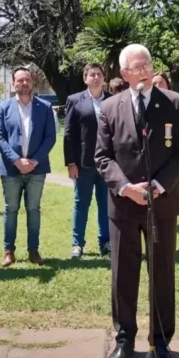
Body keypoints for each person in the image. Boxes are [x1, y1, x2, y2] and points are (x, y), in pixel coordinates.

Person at [95, 43, 179, 358]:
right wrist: (126, 188)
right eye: (136, 68)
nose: (144, 72)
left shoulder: (175, 103)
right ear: (124, 74)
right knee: (123, 275)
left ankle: (160, 341)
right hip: (124, 206)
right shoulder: (110, 108)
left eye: (147, 65)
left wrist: (159, 185)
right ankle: (124, 340)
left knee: (162, 273)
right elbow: (102, 157)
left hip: (161, 204)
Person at [0, 67, 56, 267]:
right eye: (20, 80)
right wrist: (16, 160)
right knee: (11, 209)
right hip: (11, 169)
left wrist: (34, 161)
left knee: (33, 209)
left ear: (32, 82)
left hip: (37, 169)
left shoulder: (45, 107)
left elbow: (50, 137)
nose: (24, 83)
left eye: (27, 79)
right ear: (13, 84)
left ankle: (33, 251)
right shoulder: (3, 107)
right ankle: (8, 251)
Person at [64, 63, 112, 258]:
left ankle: (106, 243)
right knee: (81, 203)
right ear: (85, 79)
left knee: (106, 205)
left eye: (99, 74)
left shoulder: (112, 100)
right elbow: (69, 134)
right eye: (92, 75)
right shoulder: (74, 100)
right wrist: (71, 163)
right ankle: (77, 244)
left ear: (104, 78)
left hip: (108, 163)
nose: (96, 77)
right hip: (83, 163)